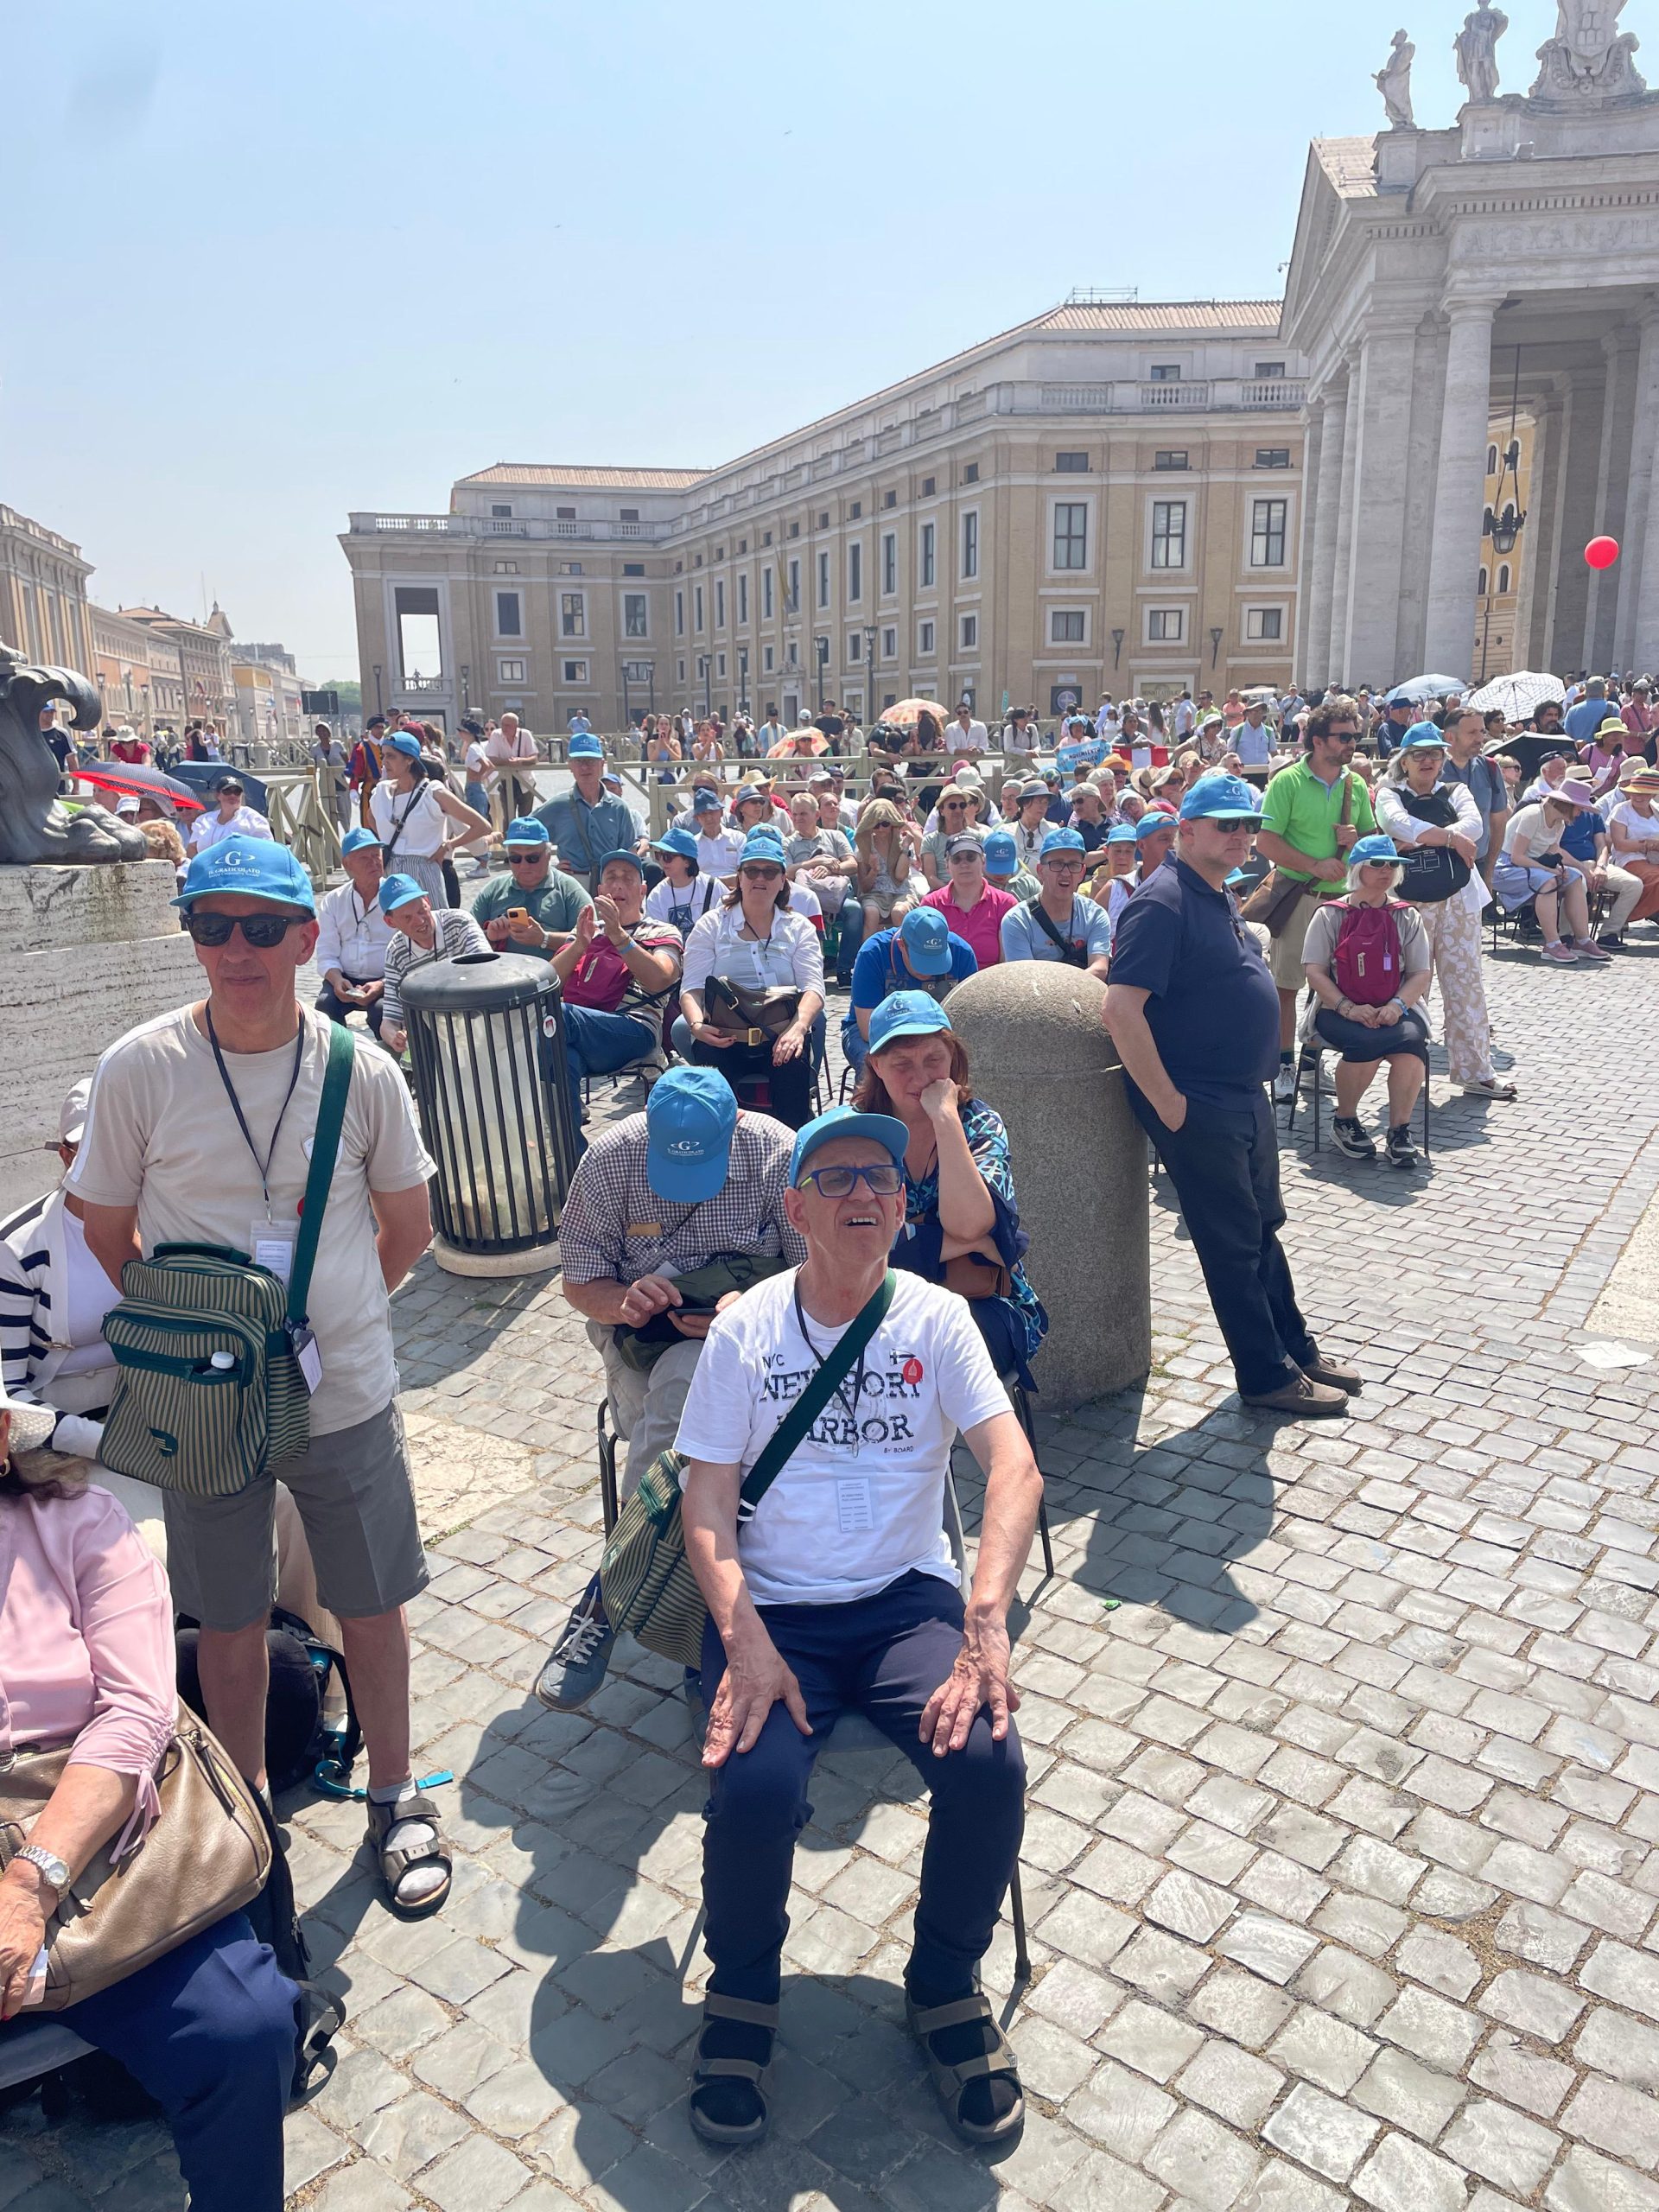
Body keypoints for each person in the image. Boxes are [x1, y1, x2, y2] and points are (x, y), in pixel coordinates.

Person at [69, 839, 448, 1914]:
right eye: (213, 925)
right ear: (192, 936)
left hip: (343, 1387)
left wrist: (317, 1325)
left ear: (306, 937)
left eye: (262, 926)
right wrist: (196, 1336)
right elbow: (104, 1226)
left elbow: (409, 1227)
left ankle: (394, 1793)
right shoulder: (140, 1067)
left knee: (371, 1603)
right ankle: (248, 1814)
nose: (237, 948)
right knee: (227, 1617)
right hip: (202, 1404)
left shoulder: (361, 1070)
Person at [676, 1105, 1041, 2149]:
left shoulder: (936, 1318)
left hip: (901, 1604)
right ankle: (742, 1994)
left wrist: (985, 1617)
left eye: (880, 1176)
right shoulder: (746, 1332)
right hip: (773, 1607)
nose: (863, 1194)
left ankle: (945, 1983)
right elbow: (706, 1504)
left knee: (988, 1760)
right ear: (796, 1210)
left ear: (901, 1205)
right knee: (755, 1781)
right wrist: (744, 1636)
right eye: (834, 1178)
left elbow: (1014, 1468)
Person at [0, 1383, 302, 2211]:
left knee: (243, 2025)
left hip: (86, 1823)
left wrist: (29, 1882)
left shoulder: (81, 1525)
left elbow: (137, 1712)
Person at [534, 1070, 806, 1709]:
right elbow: (580, 1281)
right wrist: (625, 1301)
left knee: (693, 1395)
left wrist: (745, 1309)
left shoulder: (777, 1152)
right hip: (643, 1341)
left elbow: (814, 1272)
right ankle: (697, 1633)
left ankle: (611, 1595)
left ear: (736, 1127)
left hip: (766, 1338)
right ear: (647, 1133)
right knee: (686, 1399)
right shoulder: (610, 1158)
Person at [1104, 773, 1362, 1419]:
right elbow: (1120, 1008)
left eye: (1249, 825)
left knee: (1263, 1230)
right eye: (1227, 825)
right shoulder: (1163, 901)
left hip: (1242, 1094)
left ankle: (1295, 1351)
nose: (1242, 835)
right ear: (1186, 831)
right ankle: (1265, 1375)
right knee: (1233, 1244)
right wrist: (1169, 1104)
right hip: (1199, 1101)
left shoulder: (1214, 891)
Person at [855, 994, 1046, 1385]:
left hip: (982, 1300)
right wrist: (966, 1243)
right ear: (876, 1065)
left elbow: (969, 1224)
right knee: (874, 1361)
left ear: (953, 1057)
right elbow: (856, 1243)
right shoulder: (855, 1133)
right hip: (876, 1298)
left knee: (939, 1359)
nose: (920, 1077)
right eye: (902, 1064)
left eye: (933, 1059)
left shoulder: (979, 1124)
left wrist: (945, 1118)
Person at [1372, 726, 1517, 1096]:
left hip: (1458, 897)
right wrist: (1451, 839)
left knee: (1466, 984)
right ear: (1404, 760)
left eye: (1435, 754)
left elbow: (1475, 826)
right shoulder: (1389, 793)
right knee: (1408, 985)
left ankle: (1476, 1071)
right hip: (1408, 902)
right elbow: (1396, 823)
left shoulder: (1457, 790)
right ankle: (1407, 1073)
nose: (1428, 760)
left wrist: (1418, 839)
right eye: (1419, 754)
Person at [1255, 696, 1375, 1102]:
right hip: (1300, 897)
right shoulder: (1287, 782)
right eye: (1343, 737)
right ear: (1318, 741)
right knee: (1286, 987)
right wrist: (1314, 865)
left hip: (1344, 905)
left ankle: (1310, 1062)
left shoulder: (1356, 785)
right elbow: (1266, 841)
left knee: (1333, 988)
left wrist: (1358, 840)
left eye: (1355, 736)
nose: (1352, 743)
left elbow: (1372, 842)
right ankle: (1284, 1067)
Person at [1300, 834, 1433, 1167]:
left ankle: (1399, 1130)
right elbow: (1314, 972)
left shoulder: (1407, 915)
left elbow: (1420, 972)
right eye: (1377, 864)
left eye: (1392, 864)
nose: (1386, 870)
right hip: (1337, 1007)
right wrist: (1347, 1007)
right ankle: (1345, 1120)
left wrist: (1397, 1006)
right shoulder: (1329, 914)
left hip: (1397, 1005)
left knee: (1411, 1043)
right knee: (1365, 1042)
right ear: (1358, 868)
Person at [680, 830, 825, 1128]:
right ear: (739, 877)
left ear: (783, 880)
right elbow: (692, 988)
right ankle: (717, 1147)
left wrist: (797, 1029)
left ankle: (793, 1145)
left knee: (792, 1071)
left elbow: (813, 988)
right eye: (752, 870)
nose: (760, 877)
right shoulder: (711, 925)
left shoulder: (799, 927)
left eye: (770, 871)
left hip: (780, 1033)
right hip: (723, 1036)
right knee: (710, 1098)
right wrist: (697, 1026)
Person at [551, 849, 683, 1125]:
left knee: (556, 1017)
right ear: (600, 890)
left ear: (643, 890)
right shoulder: (586, 930)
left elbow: (662, 978)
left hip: (636, 1028)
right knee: (563, 1060)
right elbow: (549, 982)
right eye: (611, 878)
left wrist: (619, 936)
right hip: (583, 1029)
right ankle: (572, 1146)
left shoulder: (663, 931)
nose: (618, 885)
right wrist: (580, 945)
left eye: (628, 878)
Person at [848, 905, 977, 1077]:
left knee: (971, 1065)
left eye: (936, 962)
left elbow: (971, 1020)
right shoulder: (873, 952)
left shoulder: (962, 953)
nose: (928, 971)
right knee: (874, 1069)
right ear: (901, 945)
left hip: (939, 1037)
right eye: (921, 961)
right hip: (875, 1034)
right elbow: (866, 1029)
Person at [366, 730, 486, 910]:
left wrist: (448, 846)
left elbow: (481, 826)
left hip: (424, 871)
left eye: (391, 756)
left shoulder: (433, 793)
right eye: (383, 756)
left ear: (409, 760)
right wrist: (386, 843)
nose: (384, 762)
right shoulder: (381, 792)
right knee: (394, 924)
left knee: (431, 921)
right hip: (391, 872)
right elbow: (371, 817)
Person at [1495, 781, 1611, 964]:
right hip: (1506, 869)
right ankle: (1552, 944)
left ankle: (1582, 940)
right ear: (1567, 805)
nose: (1580, 813)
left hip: (1531, 867)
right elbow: (1517, 857)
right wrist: (1550, 870)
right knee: (1549, 881)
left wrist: (1580, 868)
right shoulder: (1533, 815)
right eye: (1579, 808)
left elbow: (1554, 850)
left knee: (1575, 878)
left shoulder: (1560, 823)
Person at [378, 874, 492, 1057]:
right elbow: (389, 1020)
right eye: (407, 918)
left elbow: (485, 972)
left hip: (479, 1020)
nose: (419, 921)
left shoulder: (460, 922)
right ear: (390, 922)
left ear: (428, 902)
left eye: (421, 911)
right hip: (433, 1034)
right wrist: (394, 1037)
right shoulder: (395, 951)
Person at [315, 825, 394, 1039]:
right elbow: (326, 953)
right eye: (364, 858)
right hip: (345, 977)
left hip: (388, 977)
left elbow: (410, 951)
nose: (374, 862)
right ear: (347, 864)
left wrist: (382, 983)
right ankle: (338, 1054)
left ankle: (392, 1057)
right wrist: (336, 980)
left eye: (376, 855)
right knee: (325, 1006)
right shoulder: (334, 900)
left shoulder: (396, 897)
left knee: (381, 1012)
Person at [470, 816, 591, 956]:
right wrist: (490, 937)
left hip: (553, 970)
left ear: (548, 855)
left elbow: (592, 937)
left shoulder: (569, 890)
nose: (524, 865)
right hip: (503, 969)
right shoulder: (493, 890)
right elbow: (465, 937)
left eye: (532, 858)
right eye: (515, 858)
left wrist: (545, 939)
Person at [999, 829, 1113, 975]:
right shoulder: (1017, 920)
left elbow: (1100, 968)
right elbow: (1024, 978)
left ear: (1082, 873)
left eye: (1073, 865)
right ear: (1040, 871)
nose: (1065, 873)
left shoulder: (1095, 915)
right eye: (1057, 864)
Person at [921, 835, 1016, 970]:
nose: (964, 864)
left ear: (983, 860)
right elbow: (925, 958)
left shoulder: (1005, 903)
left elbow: (1008, 964)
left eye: (971, 857)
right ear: (947, 864)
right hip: (945, 980)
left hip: (991, 980)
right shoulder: (931, 904)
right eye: (956, 859)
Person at [854, 798, 921, 935]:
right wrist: (874, 871)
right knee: (871, 913)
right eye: (875, 825)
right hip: (874, 894)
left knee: (899, 912)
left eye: (885, 824)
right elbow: (864, 887)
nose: (880, 829)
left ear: (892, 823)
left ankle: (904, 948)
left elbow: (900, 876)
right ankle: (868, 949)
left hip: (901, 892)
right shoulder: (864, 847)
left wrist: (905, 848)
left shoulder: (904, 842)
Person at [189, 776, 272, 853]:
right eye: (227, 791)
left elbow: (267, 849)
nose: (233, 795)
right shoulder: (204, 820)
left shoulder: (254, 819)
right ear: (217, 795)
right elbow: (192, 849)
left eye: (237, 792)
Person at [486, 710, 540, 823]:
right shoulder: (496, 735)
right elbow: (491, 758)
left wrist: (521, 761)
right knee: (508, 819)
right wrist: (508, 762)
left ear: (516, 726)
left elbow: (534, 758)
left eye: (508, 725)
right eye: (502, 725)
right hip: (505, 782)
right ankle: (509, 834)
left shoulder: (525, 735)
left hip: (526, 782)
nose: (504, 728)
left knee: (526, 818)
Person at [310, 722, 353, 836]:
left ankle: (348, 834)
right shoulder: (315, 749)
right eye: (319, 731)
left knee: (344, 811)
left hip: (341, 782)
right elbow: (311, 766)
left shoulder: (337, 745)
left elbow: (347, 761)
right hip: (326, 784)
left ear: (329, 732)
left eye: (324, 730)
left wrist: (351, 777)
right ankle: (332, 838)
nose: (322, 733)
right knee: (329, 812)